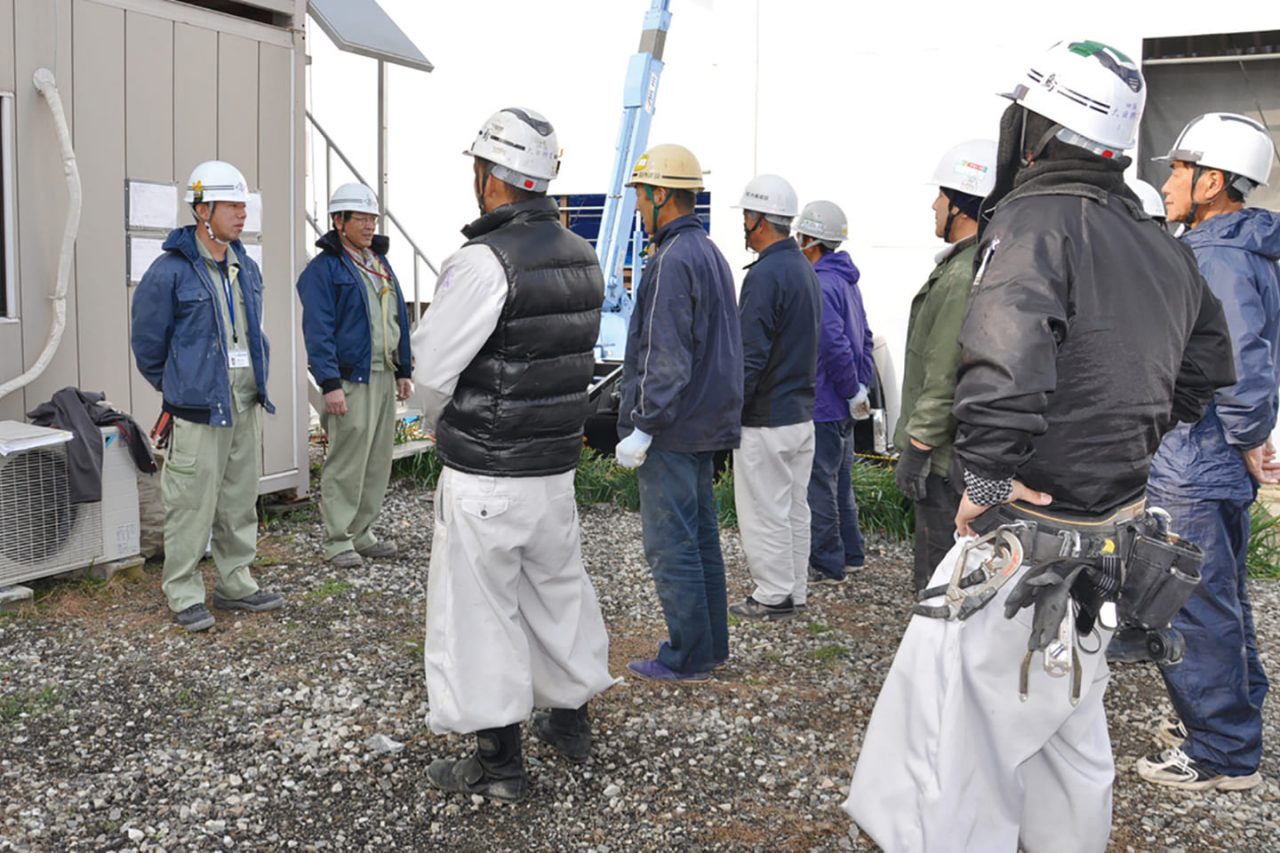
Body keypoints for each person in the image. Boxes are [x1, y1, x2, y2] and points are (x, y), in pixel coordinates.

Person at [844, 40, 1235, 852]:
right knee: (1070, 722)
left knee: (967, 738)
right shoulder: (1160, 243)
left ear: (1038, 127)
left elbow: (1006, 364)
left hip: (1030, 532)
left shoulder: (1034, 222)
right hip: (1112, 529)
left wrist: (987, 482)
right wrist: (1122, 444)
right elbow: (1204, 369)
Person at [413, 108, 614, 802]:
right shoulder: (582, 254)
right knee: (558, 593)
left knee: (479, 612)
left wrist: (436, 422)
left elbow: (432, 372)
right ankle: (570, 718)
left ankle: (498, 763)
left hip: (488, 470)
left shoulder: (482, 261)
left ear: (491, 177)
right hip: (553, 469)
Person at [1137, 112, 1280, 792]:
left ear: (1213, 181)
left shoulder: (1215, 255)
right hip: (1211, 453)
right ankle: (1230, 724)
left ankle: (1222, 752)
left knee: (1190, 598)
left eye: (1178, 171)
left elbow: (1241, 360)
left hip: (1198, 455)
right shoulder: (1241, 248)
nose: (1168, 184)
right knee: (1219, 596)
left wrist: (1249, 435)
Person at [131, 160, 285, 632]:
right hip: (198, 411)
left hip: (243, 403)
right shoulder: (169, 272)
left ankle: (235, 583)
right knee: (190, 505)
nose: (242, 214)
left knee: (238, 501)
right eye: (231, 205)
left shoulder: (246, 266)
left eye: (243, 205)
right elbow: (148, 345)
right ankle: (183, 591)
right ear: (203, 210)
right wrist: (181, 386)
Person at [614, 143, 744, 681]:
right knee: (701, 540)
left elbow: (663, 354)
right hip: (704, 424)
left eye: (641, 197)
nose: (638, 208)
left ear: (661, 194)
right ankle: (710, 648)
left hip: (671, 428)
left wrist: (643, 425)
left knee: (671, 546)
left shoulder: (670, 260)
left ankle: (687, 656)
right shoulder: (709, 252)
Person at [894, 139, 997, 593]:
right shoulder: (978, 263)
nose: (934, 205)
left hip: (942, 460)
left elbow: (944, 373)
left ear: (960, 205)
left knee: (939, 579)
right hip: (960, 455)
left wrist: (918, 447)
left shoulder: (961, 275)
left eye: (941, 195)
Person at [296, 182, 413, 568]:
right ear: (338, 221)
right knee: (347, 460)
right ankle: (337, 540)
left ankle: (362, 532)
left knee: (377, 459)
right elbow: (318, 330)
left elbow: (398, 316)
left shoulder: (378, 262)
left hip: (382, 374)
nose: (368, 226)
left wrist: (403, 368)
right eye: (360, 218)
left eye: (372, 218)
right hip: (350, 379)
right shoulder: (323, 270)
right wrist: (329, 383)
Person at [728, 175, 822, 620]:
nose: (744, 225)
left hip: (765, 417)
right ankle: (794, 589)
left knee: (764, 510)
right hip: (800, 414)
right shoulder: (803, 268)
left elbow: (750, 355)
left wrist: (730, 411)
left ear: (759, 220)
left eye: (746, 217)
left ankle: (772, 593)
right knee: (793, 509)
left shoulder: (765, 275)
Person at [794, 200, 870, 586]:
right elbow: (865, 337)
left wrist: (848, 387)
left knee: (819, 486)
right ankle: (851, 554)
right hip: (845, 403)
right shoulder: (846, 281)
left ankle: (826, 563)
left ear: (811, 240)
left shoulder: (819, 285)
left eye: (800, 235)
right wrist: (860, 388)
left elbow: (833, 344)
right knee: (841, 483)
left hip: (824, 401)